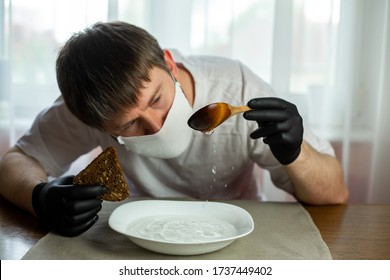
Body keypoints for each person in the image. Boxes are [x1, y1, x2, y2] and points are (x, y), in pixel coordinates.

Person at [0, 21, 349, 237]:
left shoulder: (237, 89)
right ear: (96, 124)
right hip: (137, 236)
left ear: (168, 62)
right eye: (130, 124)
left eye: (156, 99)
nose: (156, 125)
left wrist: (296, 151)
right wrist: (40, 198)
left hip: (237, 233)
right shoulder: (87, 108)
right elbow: (16, 161)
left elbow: (334, 194)